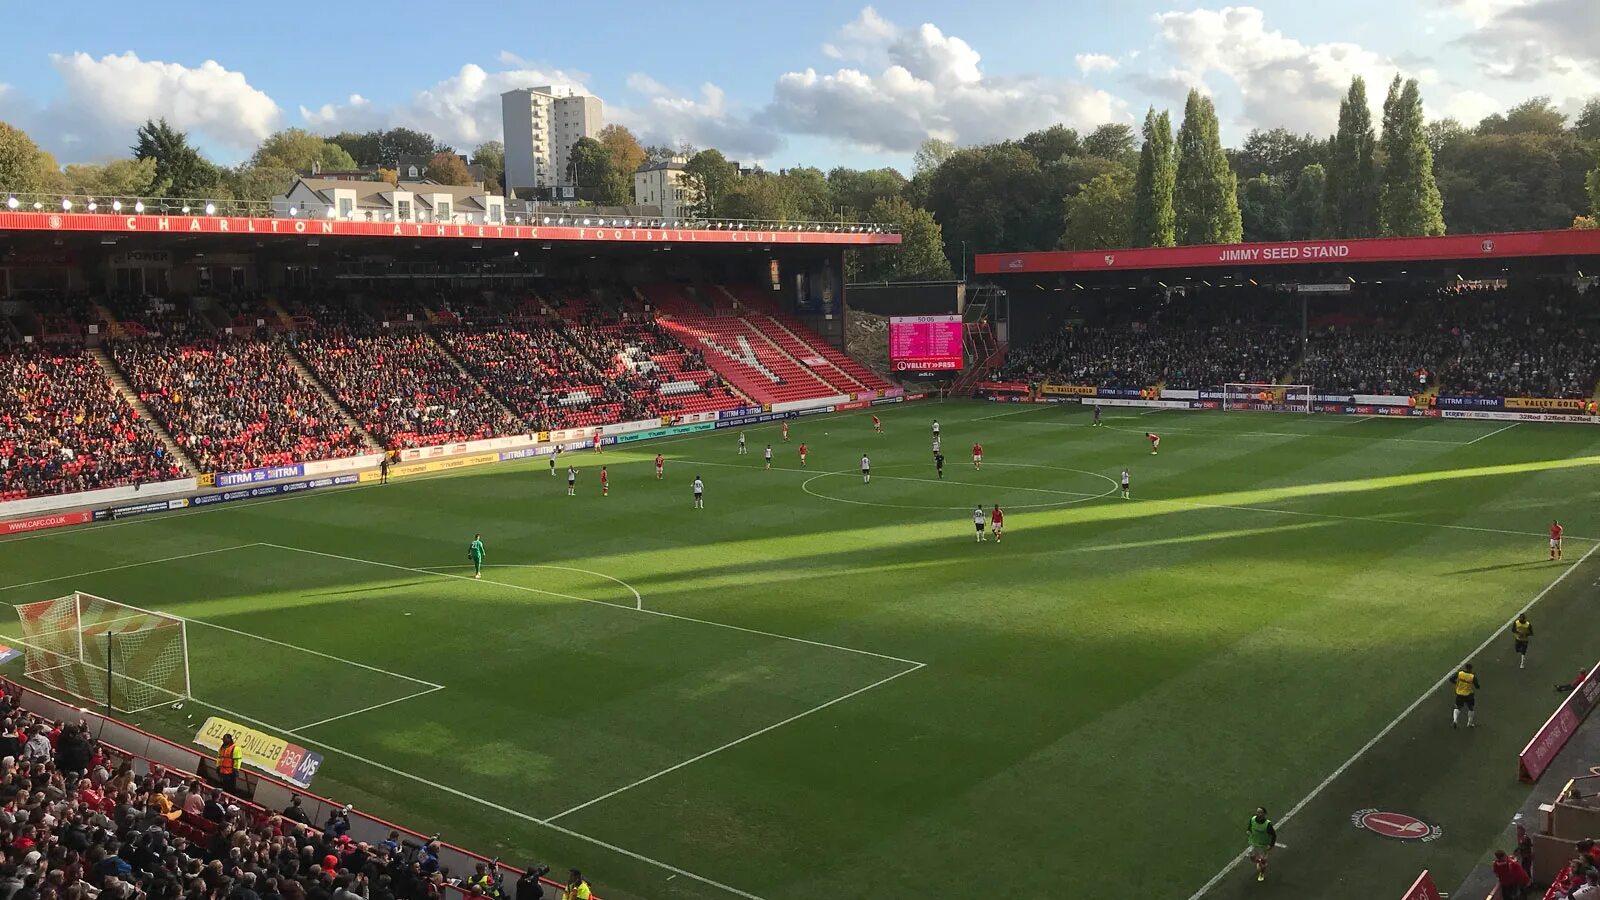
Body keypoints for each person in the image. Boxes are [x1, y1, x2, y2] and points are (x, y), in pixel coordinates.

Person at [1246, 808, 1277, 883]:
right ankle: (1259, 861)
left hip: (1263, 846)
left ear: (1264, 814)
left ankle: (1261, 873)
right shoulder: (1253, 819)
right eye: (1257, 812)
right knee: (1252, 857)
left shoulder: (1267, 824)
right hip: (1254, 843)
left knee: (1262, 863)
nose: (1258, 814)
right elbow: (1249, 827)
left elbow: (1273, 835)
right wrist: (1248, 831)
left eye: (1260, 812)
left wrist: (1271, 845)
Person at [1449, 663, 1479, 728]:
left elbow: (1451, 679)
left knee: (1457, 707)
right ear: (1470, 669)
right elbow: (1477, 686)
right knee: (1471, 708)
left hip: (1459, 694)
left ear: (1465, 668)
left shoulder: (1460, 674)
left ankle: (1455, 720)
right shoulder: (1472, 676)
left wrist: (1456, 683)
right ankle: (1469, 724)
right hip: (1469, 695)